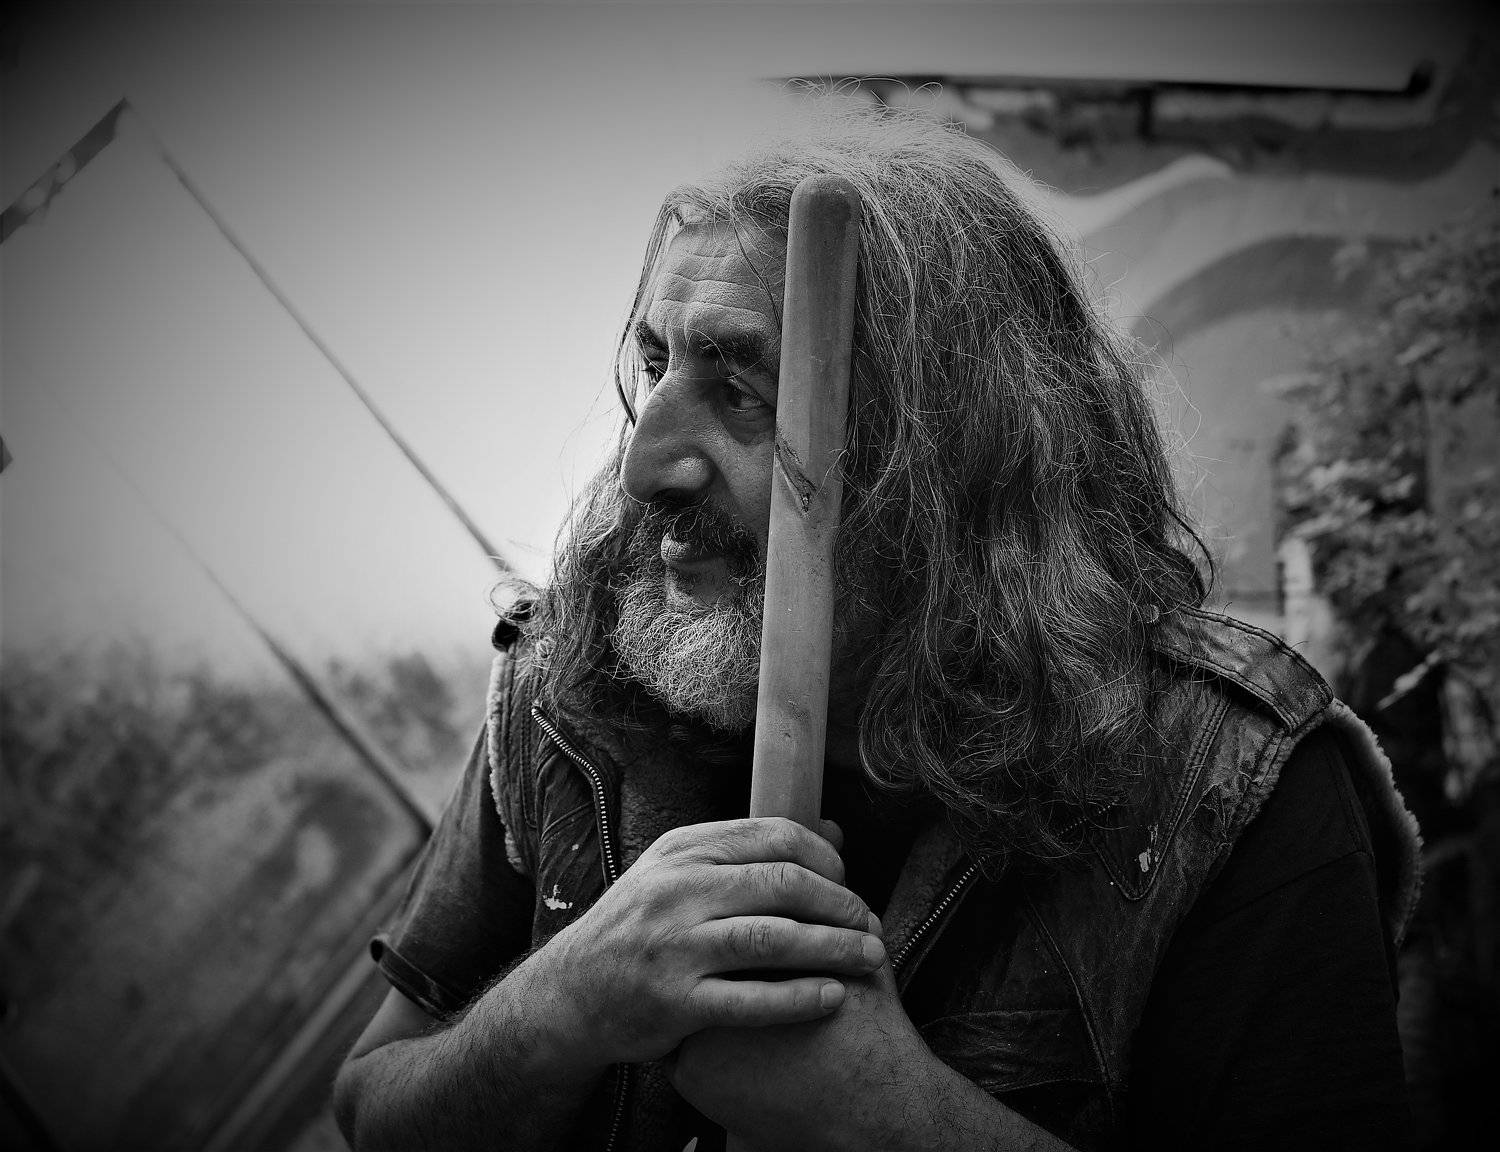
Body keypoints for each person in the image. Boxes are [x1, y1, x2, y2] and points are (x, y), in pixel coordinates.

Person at [333, 103, 1422, 1151]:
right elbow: (375, 1107)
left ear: (951, 450)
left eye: (743, 389)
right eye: (656, 364)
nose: (644, 465)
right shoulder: (577, 677)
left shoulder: (1218, 785)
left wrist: (883, 1114)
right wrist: (565, 1005)